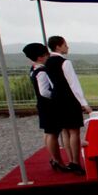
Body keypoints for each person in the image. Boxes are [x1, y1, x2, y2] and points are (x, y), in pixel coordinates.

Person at [43, 36, 89, 173]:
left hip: (56, 99)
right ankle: (75, 162)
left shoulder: (47, 62)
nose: (67, 47)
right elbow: (74, 84)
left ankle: (70, 160)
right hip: (69, 99)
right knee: (74, 131)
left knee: (64, 131)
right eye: (65, 45)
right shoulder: (65, 62)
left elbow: (50, 84)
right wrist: (84, 103)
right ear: (58, 46)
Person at [23, 42, 65, 172]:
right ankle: (58, 161)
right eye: (47, 56)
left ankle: (54, 158)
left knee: (48, 133)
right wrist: (57, 96)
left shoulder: (34, 69)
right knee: (53, 133)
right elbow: (44, 91)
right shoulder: (42, 71)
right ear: (40, 57)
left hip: (43, 105)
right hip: (48, 105)